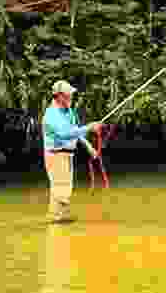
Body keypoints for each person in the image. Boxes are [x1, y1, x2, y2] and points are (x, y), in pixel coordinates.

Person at [42, 80, 102, 224]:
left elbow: (75, 130)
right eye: (68, 95)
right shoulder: (51, 115)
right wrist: (89, 127)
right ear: (59, 96)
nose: (71, 97)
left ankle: (60, 219)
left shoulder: (68, 111)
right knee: (60, 189)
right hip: (55, 154)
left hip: (67, 153)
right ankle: (54, 219)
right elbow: (65, 134)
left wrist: (89, 147)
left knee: (66, 188)